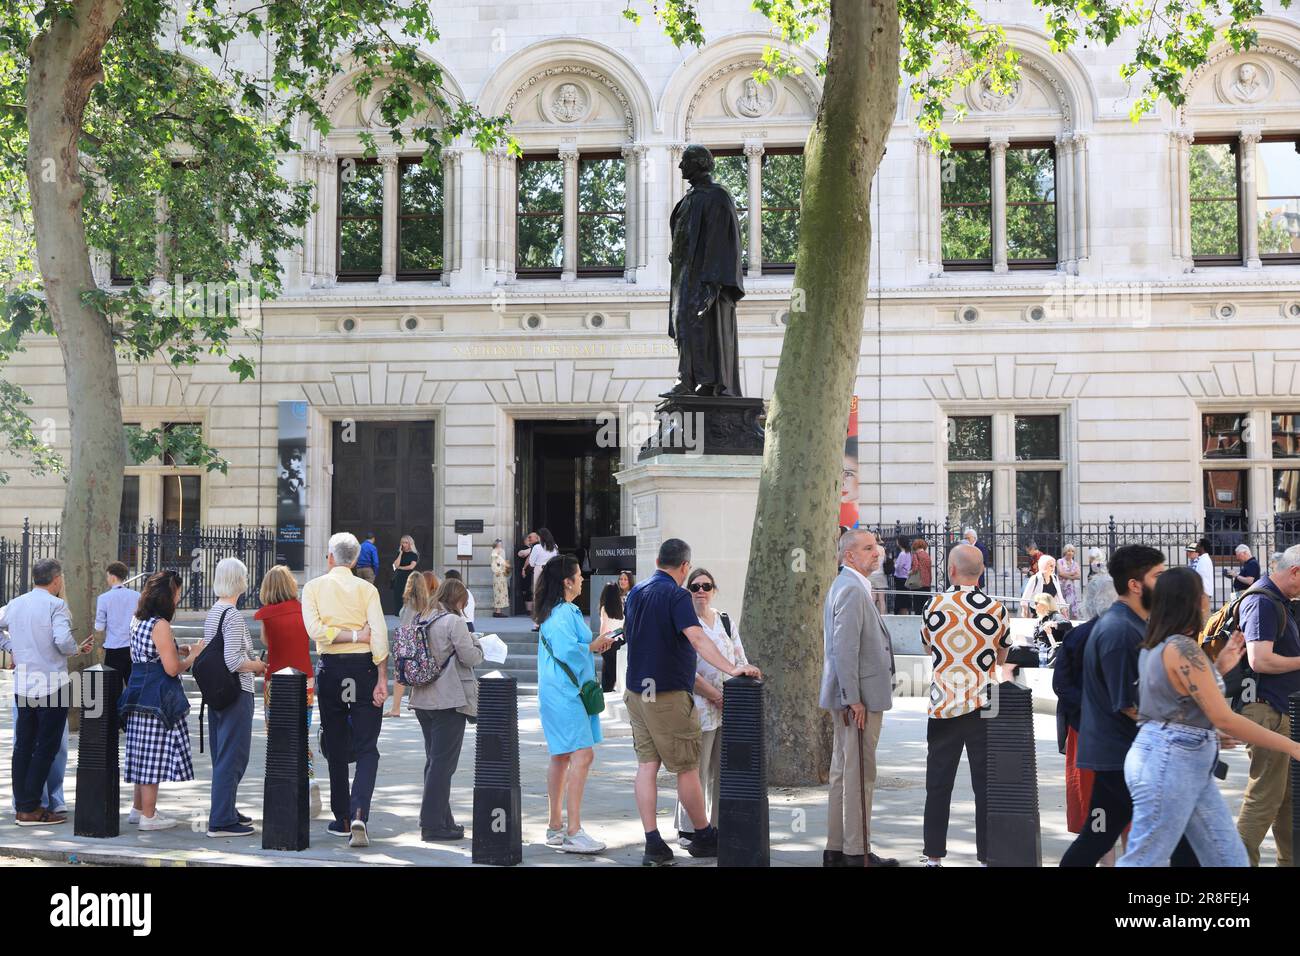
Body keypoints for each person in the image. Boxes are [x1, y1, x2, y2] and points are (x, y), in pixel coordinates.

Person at [1120, 566, 1300, 866]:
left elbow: (1174, 703)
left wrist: (1217, 670)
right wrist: (1292, 746)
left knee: (1228, 859)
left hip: (1180, 760)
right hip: (1170, 762)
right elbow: (1225, 718)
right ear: (1188, 601)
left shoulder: (1162, 645)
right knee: (1145, 860)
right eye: (1202, 592)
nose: (1207, 599)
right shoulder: (1182, 649)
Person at [623, 538, 761, 865]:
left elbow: (631, 637)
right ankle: (702, 835)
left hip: (636, 693)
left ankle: (653, 842)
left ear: (658, 560)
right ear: (684, 567)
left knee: (647, 766)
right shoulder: (677, 595)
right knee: (687, 768)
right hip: (668, 695)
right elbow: (697, 638)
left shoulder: (636, 593)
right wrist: (732, 668)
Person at [1060, 545, 1199, 867]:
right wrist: (1190, 726)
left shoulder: (1134, 624)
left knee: (1101, 839)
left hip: (1130, 755)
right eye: (1158, 576)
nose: (1165, 584)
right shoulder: (1120, 631)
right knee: (1106, 839)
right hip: (1123, 757)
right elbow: (1130, 705)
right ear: (1136, 584)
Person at [919, 543, 1009, 866]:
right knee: (985, 787)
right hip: (986, 704)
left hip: (943, 704)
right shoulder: (997, 609)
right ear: (982, 572)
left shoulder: (933, 605)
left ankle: (933, 857)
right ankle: (986, 857)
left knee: (938, 785)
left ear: (951, 570)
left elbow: (929, 647)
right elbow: (1002, 655)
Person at [302, 531, 389, 848]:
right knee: (368, 747)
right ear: (354, 560)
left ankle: (340, 818)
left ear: (329, 557)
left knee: (336, 744)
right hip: (364, 669)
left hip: (332, 670)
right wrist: (382, 677)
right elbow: (378, 634)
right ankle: (358, 813)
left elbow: (315, 632)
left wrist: (339, 636)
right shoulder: (367, 589)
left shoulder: (312, 588)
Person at [820, 529, 897, 867]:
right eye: (868, 548)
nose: (876, 553)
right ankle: (857, 854)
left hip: (855, 696)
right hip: (858, 699)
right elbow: (844, 649)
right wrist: (854, 700)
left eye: (876, 547)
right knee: (859, 775)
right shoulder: (851, 589)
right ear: (849, 556)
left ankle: (837, 850)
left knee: (843, 773)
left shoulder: (850, 586)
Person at [0, 559, 92, 826]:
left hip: (24, 684)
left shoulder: (15, 604)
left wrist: (10, 647)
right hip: (52, 684)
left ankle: (23, 805)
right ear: (56, 580)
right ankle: (30, 807)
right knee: (47, 746)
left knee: (23, 746)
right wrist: (74, 649)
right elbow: (62, 641)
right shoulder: (56, 605)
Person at [536, 554, 613, 853]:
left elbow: (567, 648)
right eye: (579, 575)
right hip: (566, 693)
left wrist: (591, 645)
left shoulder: (554, 612)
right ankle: (573, 829)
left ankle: (556, 826)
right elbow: (570, 650)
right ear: (567, 581)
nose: (583, 578)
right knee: (582, 755)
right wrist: (593, 646)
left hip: (557, 691)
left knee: (561, 756)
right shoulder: (565, 611)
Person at [1234, 542, 1300, 867]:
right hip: (1266, 711)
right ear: (1295, 572)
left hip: (1276, 710)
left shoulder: (1279, 601)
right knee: (1264, 799)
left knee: (1286, 800)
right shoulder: (1262, 601)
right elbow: (1259, 660)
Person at [674, 567, 748, 844]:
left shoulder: (725, 621)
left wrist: (744, 677)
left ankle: (717, 826)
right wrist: (715, 696)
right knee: (695, 770)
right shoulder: (686, 625)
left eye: (706, 586)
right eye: (695, 587)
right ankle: (689, 829)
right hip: (700, 706)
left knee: (721, 772)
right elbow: (687, 671)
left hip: (728, 708)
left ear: (714, 590)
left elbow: (739, 657)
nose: (701, 591)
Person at [120, 571, 199, 831]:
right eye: (176, 592)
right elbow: (172, 668)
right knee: (153, 755)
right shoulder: (160, 625)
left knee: (141, 751)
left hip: (137, 690)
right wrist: (193, 656)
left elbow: (148, 652)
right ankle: (149, 817)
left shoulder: (137, 620)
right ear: (167, 596)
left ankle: (138, 809)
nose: (178, 597)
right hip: (157, 696)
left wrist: (178, 648)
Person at [1053, 574, 1120, 864]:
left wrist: (1088, 708)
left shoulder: (1076, 637)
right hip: (1119, 731)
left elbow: (1061, 684)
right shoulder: (1128, 633)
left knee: (1094, 805)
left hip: (1085, 729)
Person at [410, 578, 483, 842]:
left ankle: (444, 820)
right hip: (448, 700)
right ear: (458, 600)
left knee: (435, 761)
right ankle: (431, 824)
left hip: (422, 699)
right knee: (443, 765)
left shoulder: (422, 617)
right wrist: (478, 643)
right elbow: (471, 657)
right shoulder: (454, 622)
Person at [253, 564, 320, 817]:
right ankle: (309, 778)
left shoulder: (266, 615)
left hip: (277, 680)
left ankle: (284, 786)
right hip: (306, 679)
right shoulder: (305, 611)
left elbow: (267, 642)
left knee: (277, 735)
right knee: (302, 731)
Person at [204, 557, 264, 838]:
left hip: (217, 694)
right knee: (234, 755)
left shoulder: (215, 611)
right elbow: (233, 661)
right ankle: (221, 819)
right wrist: (259, 665)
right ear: (240, 581)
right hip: (236, 692)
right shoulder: (234, 615)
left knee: (223, 754)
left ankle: (226, 808)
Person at [94, 561, 140, 680]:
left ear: (113, 577)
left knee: (113, 691)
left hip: (113, 649)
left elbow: (99, 627)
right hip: (133, 649)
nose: (107, 579)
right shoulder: (137, 596)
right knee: (133, 688)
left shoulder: (103, 598)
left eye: (108, 576)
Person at [596, 572, 632, 694]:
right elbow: (622, 627)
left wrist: (600, 642)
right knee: (616, 668)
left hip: (608, 641)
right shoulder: (621, 608)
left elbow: (604, 627)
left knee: (608, 670)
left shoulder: (604, 608)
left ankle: (606, 692)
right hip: (619, 640)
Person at [527, 528, 559, 632]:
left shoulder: (537, 547)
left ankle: (538, 623)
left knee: (538, 597)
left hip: (539, 571)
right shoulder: (554, 547)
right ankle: (549, 622)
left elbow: (531, 563)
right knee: (549, 597)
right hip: (551, 572)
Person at [391, 535, 419, 612]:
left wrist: (400, 567)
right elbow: (395, 566)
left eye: (406, 542)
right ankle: (398, 612)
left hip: (408, 578)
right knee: (398, 595)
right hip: (398, 577)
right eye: (402, 542)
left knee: (407, 595)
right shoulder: (399, 553)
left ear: (410, 544)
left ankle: (407, 612)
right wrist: (400, 553)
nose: (404, 544)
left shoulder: (414, 554)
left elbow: (411, 567)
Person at [1186, 538, 1214, 609]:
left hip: (1202, 593)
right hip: (1201, 593)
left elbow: (1198, 577)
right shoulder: (1202, 559)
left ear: (1202, 547)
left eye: (1198, 545)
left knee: (1202, 617)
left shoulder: (1204, 560)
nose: (1196, 547)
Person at [907, 538, 933, 614]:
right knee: (925, 604)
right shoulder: (927, 555)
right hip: (927, 583)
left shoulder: (916, 555)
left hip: (918, 583)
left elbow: (915, 568)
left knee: (917, 604)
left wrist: (909, 573)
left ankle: (918, 620)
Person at [517, 531, 539, 613]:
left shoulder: (536, 548)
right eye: (528, 538)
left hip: (534, 571)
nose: (529, 540)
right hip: (526, 573)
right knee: (527, 590)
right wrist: (534, 548)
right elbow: (522, 554)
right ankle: (529, 610)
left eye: (530, 538)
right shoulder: (522, 547)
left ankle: (534, 609)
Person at [891, 535, 912, 614]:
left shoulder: (902, 554)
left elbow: (899, 566)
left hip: (900, 578)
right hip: (906, 577)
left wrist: (894, 564)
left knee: (901, 598)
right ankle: (904, 613)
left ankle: (900, 614)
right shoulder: (908, 553)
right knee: (904, 598)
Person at [1058, 544, 1082, 616]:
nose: (1070, 553)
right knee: (1062, 605)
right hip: (1061, 586)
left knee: (1072, 607)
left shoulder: (1075, 563)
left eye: (1072, 551)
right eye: (1068, 551)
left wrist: (1066, 575)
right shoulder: (1060, 561)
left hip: (1071, 589)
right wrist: (1072, 574)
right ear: (1065, 552)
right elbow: (1061, 573)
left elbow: (1078, 576)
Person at [491, 539, 510, 618]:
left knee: (501, 592)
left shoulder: (502, 551)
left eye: (501, 544)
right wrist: (497, 571)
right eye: (499, 544)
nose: (500, 546)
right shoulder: (494, 552)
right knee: (498, 592)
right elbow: (494, 563)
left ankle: (498, 611)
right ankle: (498, 611)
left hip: (502, 574)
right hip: (498, 574)